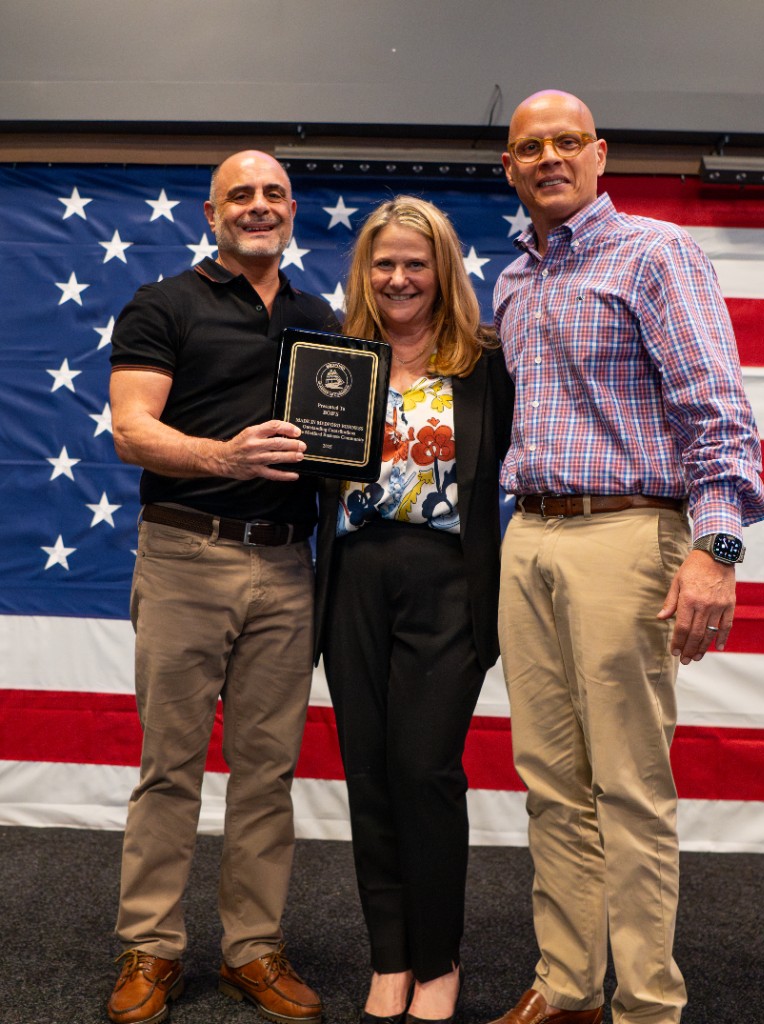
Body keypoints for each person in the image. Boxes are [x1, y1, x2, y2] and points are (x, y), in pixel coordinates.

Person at [488, 91, 764, 1024]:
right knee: (549, 783)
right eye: (529, 147)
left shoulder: (655, 252)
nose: (548, 158)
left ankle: (647, 1005)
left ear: (600, 154)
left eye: (567, 141)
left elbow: (716, 409)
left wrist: (714, 550)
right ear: (510, 168)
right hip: (527, 534)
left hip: (628, 532)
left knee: (629, 789)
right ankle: (568, 986)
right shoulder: (511, 281)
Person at [106, 150, 340, 1024]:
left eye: (273, 193)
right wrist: (223, 456)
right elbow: (131, 429)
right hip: (184, 555)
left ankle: (252, 949)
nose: (257, 205)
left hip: (288, 564)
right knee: (168, 767)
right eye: (240, 194)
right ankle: (151, 948)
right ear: (212, 213)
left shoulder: (323, 319)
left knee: (267, 772)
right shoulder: (164, 303)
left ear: (291, 211)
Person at [314, 196, 513, 1024]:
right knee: (367, 773)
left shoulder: (487, 363)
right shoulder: (333, 358)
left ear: (443, 270)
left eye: (415, 263)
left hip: (448, 583)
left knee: (423, 772)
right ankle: (389, 957)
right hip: (354, 578)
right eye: (383, 263)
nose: (398, 278)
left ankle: (437, 959)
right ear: (364, 271)